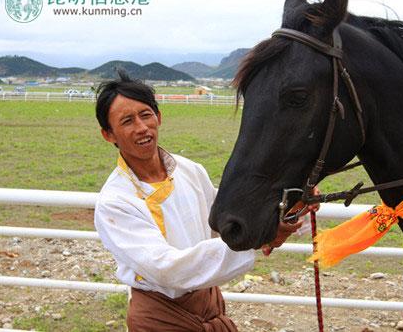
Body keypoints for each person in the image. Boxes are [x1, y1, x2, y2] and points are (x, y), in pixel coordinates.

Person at [93, 71, 314, 331]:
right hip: (160, 317)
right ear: (109, 134)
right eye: (127, 121)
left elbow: (229, 217)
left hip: (207, 303)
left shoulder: (189, 170)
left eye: (145, 115)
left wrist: (291, 205)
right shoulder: (115, 201)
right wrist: (260, 236)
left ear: (159, 117)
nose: (141, 127)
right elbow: (167, 269)